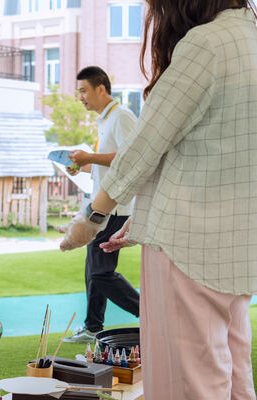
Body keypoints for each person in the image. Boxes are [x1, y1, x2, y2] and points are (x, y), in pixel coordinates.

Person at [60, 1, 256, 398]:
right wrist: (143, 221)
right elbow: (211, 153)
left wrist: (92, 216)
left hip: (188, 248)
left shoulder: (205, 44)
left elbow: (144, 147)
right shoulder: (249, 36)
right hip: (236, 248)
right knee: (234, 376)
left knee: (190, 383)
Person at [61, 66, 139, 343]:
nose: (80, 97)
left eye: (83, 90)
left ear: (101, 89)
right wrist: (81, 166)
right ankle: (93, 326)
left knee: (100, 271)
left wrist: (90, 157)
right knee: (92, 268)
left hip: (116, 206)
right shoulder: (105, 120)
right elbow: (110, 163)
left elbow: (130, 158)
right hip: (101, 206)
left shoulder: (122, 117)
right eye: (78, 92)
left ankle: (149, 314)